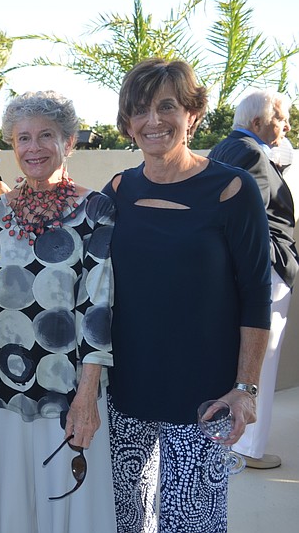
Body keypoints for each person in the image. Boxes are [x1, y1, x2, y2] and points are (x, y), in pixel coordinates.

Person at [104, 58, 271, 533]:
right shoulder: (118, 189)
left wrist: (245, 389)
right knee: (125, 519)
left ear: (193, 114)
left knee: (192, 522)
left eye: (167, 106)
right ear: (128, 122)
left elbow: (256, 295)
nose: (152, 120)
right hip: (127, 388)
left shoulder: (233, 189)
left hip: (206, 396)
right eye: (140, 110)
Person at [0, 91, 117, 533]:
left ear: (69, 142)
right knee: (8, 501)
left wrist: (87, 397)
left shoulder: (95, 211)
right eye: (23, 138)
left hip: (65, 387)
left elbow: (98, 309)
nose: (33, 148)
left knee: (63, 502)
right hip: (1, 383)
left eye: (46, 135)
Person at [207, 89, 297, 470]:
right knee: (263, 359)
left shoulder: (222, 148)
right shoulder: (252, 153)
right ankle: (248, 448)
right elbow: (247, 221)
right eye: (281, 119)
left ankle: (224, 439)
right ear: (258, 123)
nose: (287, 126)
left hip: (236, 275)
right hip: (266, 272)